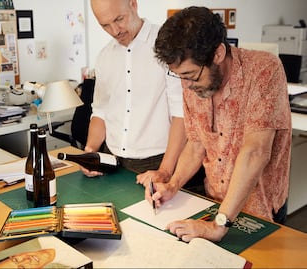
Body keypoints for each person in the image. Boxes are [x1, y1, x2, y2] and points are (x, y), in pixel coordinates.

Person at [147, 6, 291, 243]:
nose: (186, 84)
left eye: (191, 75)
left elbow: (255, 151)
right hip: (214, 200)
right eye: (180, 76)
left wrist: (218, 226)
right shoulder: (191, 79)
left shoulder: (264, 70)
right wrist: (173, 185)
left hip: (261, 208)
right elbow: (196, 145)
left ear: (218, 54)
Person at [84, 0, 185, 177]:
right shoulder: (104, 56)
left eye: (119, 19)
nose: (115, 31)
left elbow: (181, 114)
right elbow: (100, 111)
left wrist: (165, 170)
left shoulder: (169, 45)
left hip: (159, 161)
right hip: (111, 158)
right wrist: (90, 150)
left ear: (133, 4)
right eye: (105, 25)